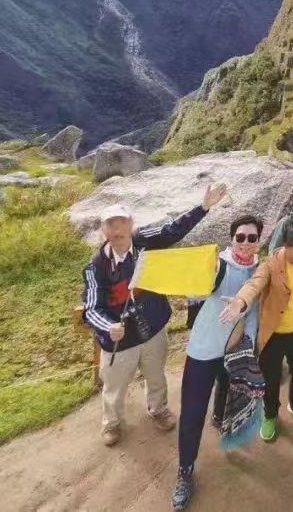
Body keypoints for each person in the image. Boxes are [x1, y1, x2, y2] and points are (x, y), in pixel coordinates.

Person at [82, 183, 227, 447]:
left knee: (156, 375)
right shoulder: (96, 266)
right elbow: (92, 307)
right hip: (119, 340)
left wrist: (203, 207)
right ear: (103, 230)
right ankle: (112, 424)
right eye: (110, 225)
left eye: (121, 222)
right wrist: (109, 326)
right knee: (113, 386)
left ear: (130, 223)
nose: (117, 230)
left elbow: (172, 230)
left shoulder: (143, 241)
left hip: (153, 328)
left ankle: (158, 409)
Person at [171, 214, 262, 510]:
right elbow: (197, 289)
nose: (245, 243)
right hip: (204, 349)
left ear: (258, 240)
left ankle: (221, 418)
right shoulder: (219, 265)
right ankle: (185, 470)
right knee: (192, 412)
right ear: (231, 238)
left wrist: (247, 344)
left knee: (227, 392)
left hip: (235, 350)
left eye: (252, 238)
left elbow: (255, 313)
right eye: (240, 237)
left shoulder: (259, 271)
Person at [219, 224, 293, 443]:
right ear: (287, 246)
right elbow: (254, 285)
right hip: (274, 335)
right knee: (271, 379)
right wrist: (240, 301)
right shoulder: (270, 266)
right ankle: (271, 414)